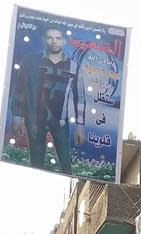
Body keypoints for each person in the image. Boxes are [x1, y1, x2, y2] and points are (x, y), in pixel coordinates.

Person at [11, 26, 86, 174]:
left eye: (58, 38)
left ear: (64, 41)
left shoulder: (74, 66)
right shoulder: (30, 61)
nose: (54, 42)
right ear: (44, 40)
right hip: (34, 120)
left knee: (66, 165)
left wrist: (80, 126)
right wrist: (16, 116)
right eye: (50, 37)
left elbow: (80, 98)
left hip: (61, 122)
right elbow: (20, 89)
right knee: (36, 164)